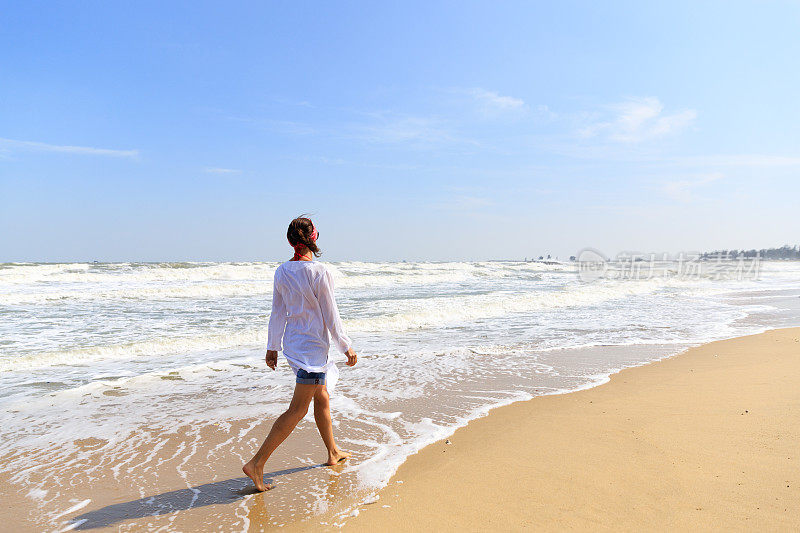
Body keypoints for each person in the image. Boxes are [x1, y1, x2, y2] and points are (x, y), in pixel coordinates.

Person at [243, 216, 358, 492]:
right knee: (297, 410)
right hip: (312, 351)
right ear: (314, 239)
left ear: (291, 241)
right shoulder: (320, 272)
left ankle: (332, 452)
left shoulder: (282, 271)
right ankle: (256, 464)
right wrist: (345, 345)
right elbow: (331, 314)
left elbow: (277, 312)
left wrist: (273, 346)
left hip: (296, 347)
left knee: (322, 397)